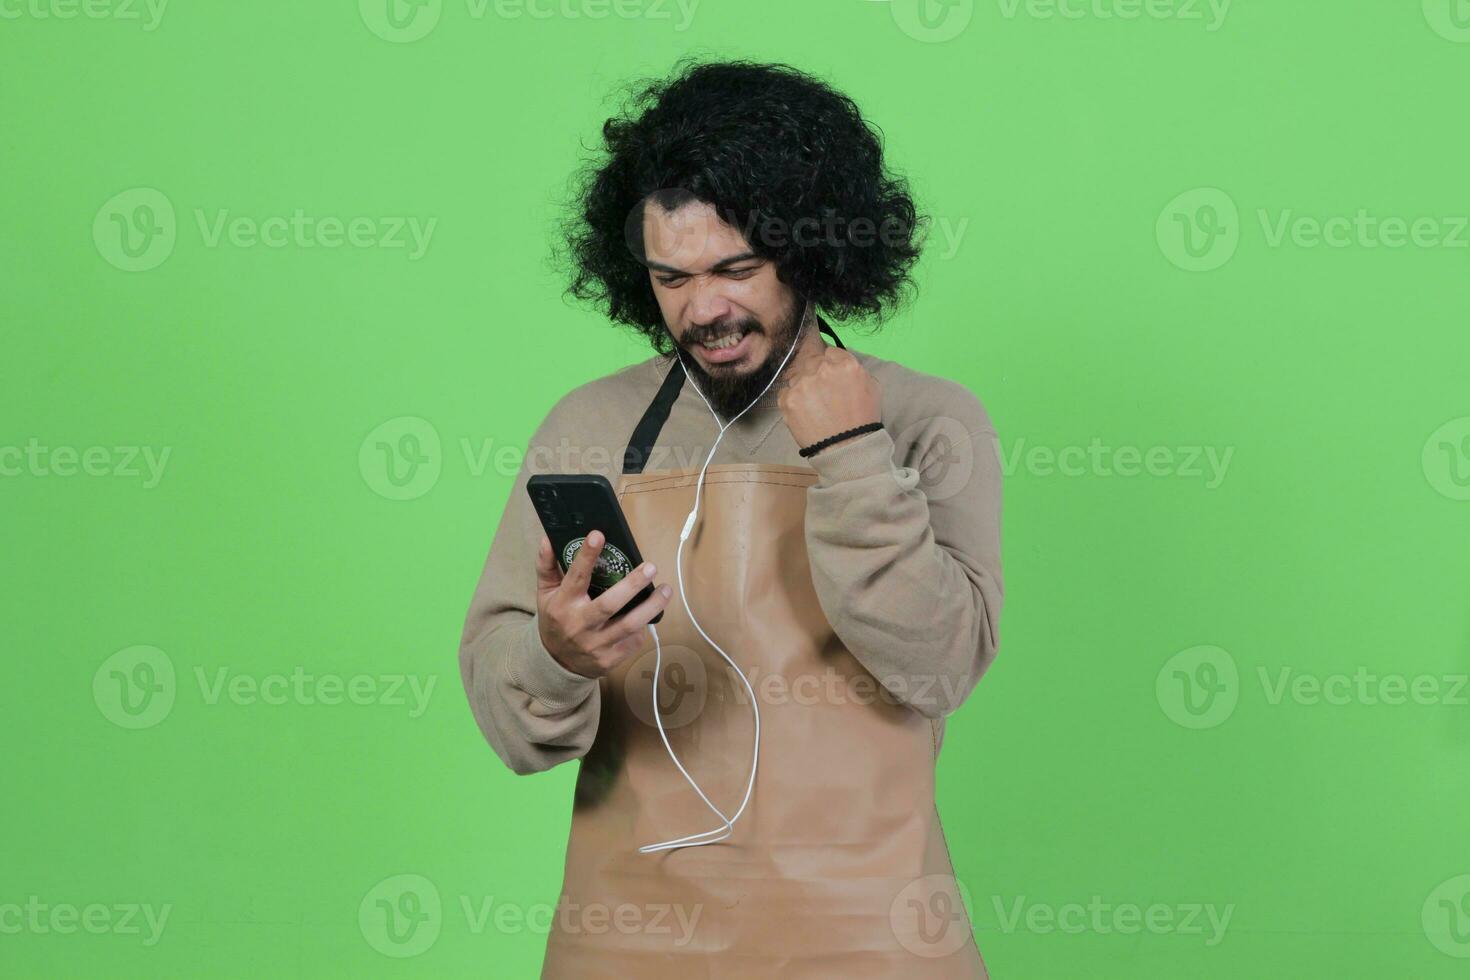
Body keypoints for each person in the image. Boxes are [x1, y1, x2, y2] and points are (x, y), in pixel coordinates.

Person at [457, 57, 1004, 978]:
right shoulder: (586, 428)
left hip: (873, 940)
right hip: (625, 942)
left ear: (814, 249)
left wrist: (853, 455)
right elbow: (513, 731)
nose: (704, 309)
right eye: (672, 278)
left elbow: (941, 666)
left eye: (736, 269)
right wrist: (558, 655)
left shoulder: (925, 420)